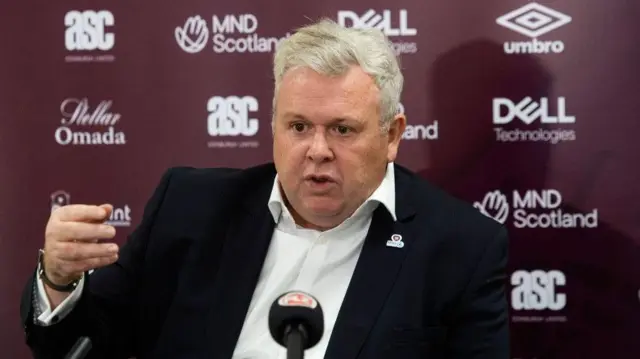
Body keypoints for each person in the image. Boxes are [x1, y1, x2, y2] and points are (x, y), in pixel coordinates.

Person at [20, 19, 509, 359]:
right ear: (273, 125)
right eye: (298, 127)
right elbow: (81, 349)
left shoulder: (459, 249)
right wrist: (60, 281)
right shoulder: (190, 208)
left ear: (392, 135)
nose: (317, 150)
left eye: (341, 129)